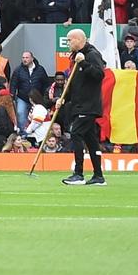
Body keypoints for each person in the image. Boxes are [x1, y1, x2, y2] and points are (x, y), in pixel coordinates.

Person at [55, 28, 107, 186]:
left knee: (76, 133)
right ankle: (98, 176)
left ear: (78, 40)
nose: (68, 43)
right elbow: (74, 82)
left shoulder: (91, 54)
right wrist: (63, 98)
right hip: (79, 104)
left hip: (88, 105)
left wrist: (83, 62)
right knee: (91, 141)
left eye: (70, 40)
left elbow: (99, 75)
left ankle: (78, 174)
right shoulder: (75, 57)